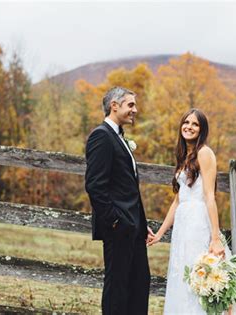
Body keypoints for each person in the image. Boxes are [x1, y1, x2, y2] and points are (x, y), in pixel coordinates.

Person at [148, 108, 236, 314]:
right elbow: (178, 200)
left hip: (198, 222)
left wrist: (215, 238)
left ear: (202, 129)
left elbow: (209, 196)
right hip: (182, 226)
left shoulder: (205, 153)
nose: (189, 127)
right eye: (186, 122)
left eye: (195, 124)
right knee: (183, 273)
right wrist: (160, 233)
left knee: (203, 274)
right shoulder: (183, 155)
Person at [85, 86, 154, 315]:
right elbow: (95, 186)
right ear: (114, 106)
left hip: (133, 229)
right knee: (117, 288)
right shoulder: (101, 136)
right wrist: (115, 221)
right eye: (130, 105)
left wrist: (141, 225)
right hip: (118, 228)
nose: (135, 110)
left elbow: (129, 189)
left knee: (139, 284)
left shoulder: (119, 137)